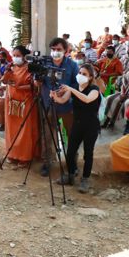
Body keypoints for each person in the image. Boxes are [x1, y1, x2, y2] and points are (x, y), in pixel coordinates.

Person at [53, 63, 100, 192]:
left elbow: (86, 99)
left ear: (90, 77)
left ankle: (85, 179)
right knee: (70, 151)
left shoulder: (94, 89)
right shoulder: (73, 87)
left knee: (88, 153)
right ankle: (70, 174)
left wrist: (71, 89)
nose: (80, 76)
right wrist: (55, 96)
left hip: (91, 125)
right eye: (80, 73)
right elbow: (62, 100)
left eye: (84, 74)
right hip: (77, 123)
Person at [39, 37, 79, 176]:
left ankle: (72, 163)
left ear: (66, 51)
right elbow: (37, 81)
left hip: (67, 106)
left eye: (59, 50)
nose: (55, 52)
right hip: (48, 104)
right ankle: (47, 162)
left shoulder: (72, 65)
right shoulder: (45, 63)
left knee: (71, 135)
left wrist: (66, 89)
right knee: (48, 135)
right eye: (53, 49)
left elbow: (77, 84)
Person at [0, 46, 39, 166]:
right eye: (14, 55)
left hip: (25, 103)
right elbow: (4, 81)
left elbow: (34, 86)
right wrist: (7, 71)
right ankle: (12, 154)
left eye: (18, 56)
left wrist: (19, 87)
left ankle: (24, 157)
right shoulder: (12, 67)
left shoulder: (30, 68)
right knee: (11, 130)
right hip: (11, 102)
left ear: (24, 56)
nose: (15, 58)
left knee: (24, 130)